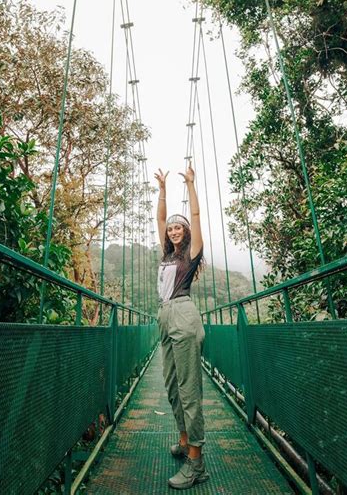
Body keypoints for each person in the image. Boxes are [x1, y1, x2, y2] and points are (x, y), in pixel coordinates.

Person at [154, 164, 209, 490]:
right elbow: (160, 220)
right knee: (173, 388)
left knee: (190, 393)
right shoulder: (167, 252)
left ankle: (196, 463)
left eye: (179, 227)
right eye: (171, 228)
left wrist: (190, 184)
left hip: (185, 316)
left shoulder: (191, 254)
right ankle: (184, 440)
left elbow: (198, 217)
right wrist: (162, 190)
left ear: (186, 233)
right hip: (165, 316)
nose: (173, 229)